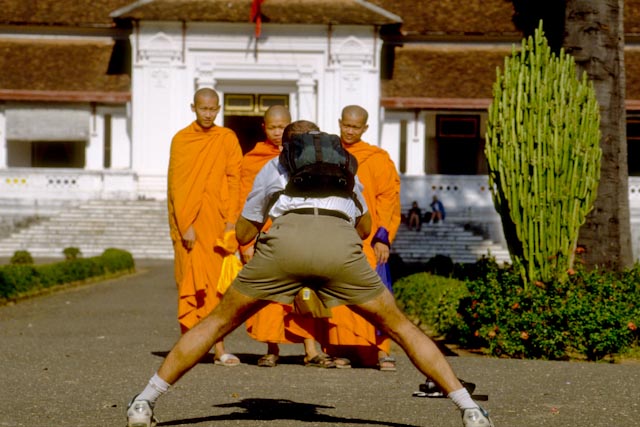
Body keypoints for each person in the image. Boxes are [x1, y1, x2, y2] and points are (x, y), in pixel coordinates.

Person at [126, 120, 494, 427]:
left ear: (287, 146)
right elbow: (365, 228)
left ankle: (144, 403)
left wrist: (258, 229)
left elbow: (245, 232)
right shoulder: (347, 166)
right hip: (339, 248)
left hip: (284, 245)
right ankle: (469, 409)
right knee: (401, 327)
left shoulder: (274, 167)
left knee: (215, 324)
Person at [240, 106, 334, 368]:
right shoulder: (253, 160)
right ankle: (272, 348)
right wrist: (246, 242)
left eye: (283, 127)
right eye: (272, 127)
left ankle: (311, 349)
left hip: (302, 233)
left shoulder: (310, 158)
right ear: (263, 128)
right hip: (268, 234)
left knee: (306, 290)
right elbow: (246, 201)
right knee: (271, 294)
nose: (278, 132)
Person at [166, 87, 243, 367]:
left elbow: (235, 178)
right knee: (189, 283)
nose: (208, 114)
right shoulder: (182, 140)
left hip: (218, 222)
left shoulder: (227, 138)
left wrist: (232, 221)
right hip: (191, 226)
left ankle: (219, 348)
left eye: (213, 109)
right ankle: (190, 346)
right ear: (193, 108)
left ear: (219, 108)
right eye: (203, 109)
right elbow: (177, 186)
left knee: (216, 290)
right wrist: (185, 224)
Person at [321, 105, 401, 371]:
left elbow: (389, 198)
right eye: (346, 125)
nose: (350, 131)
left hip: (369, 237)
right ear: (339, 123)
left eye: (355, 127)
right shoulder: (329, 156)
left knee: (373, 292)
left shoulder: (377, 158)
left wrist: (383, 237)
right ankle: (344, 350)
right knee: (339, 293)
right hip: (336, 234)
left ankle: (381, 351)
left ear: (365, 128)